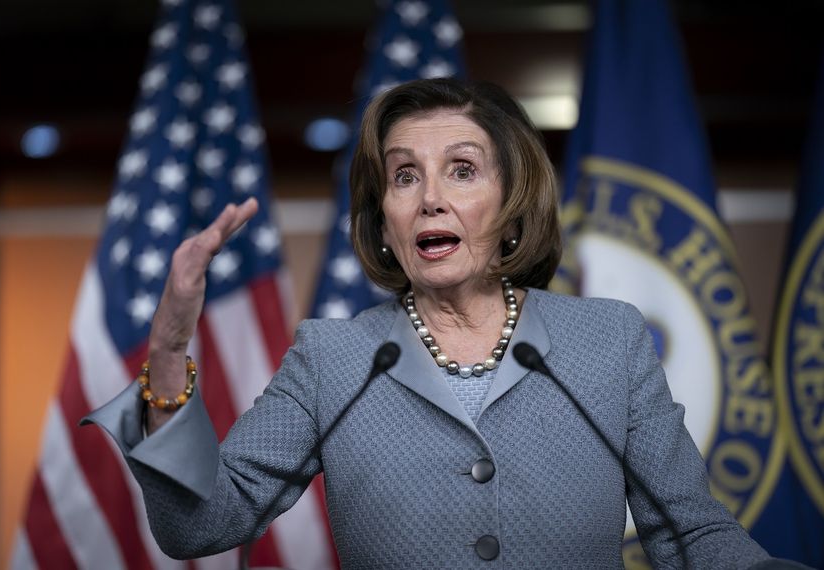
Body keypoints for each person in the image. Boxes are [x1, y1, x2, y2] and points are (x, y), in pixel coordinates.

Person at [85, 78, 775, 568]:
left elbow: (692, 538)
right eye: (405, 176)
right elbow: (201, 524)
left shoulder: (608, 341)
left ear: (511, 202)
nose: (430, 200)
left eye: (462, 171)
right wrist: (171, 346)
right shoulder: (335, 357)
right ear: (383, 217)